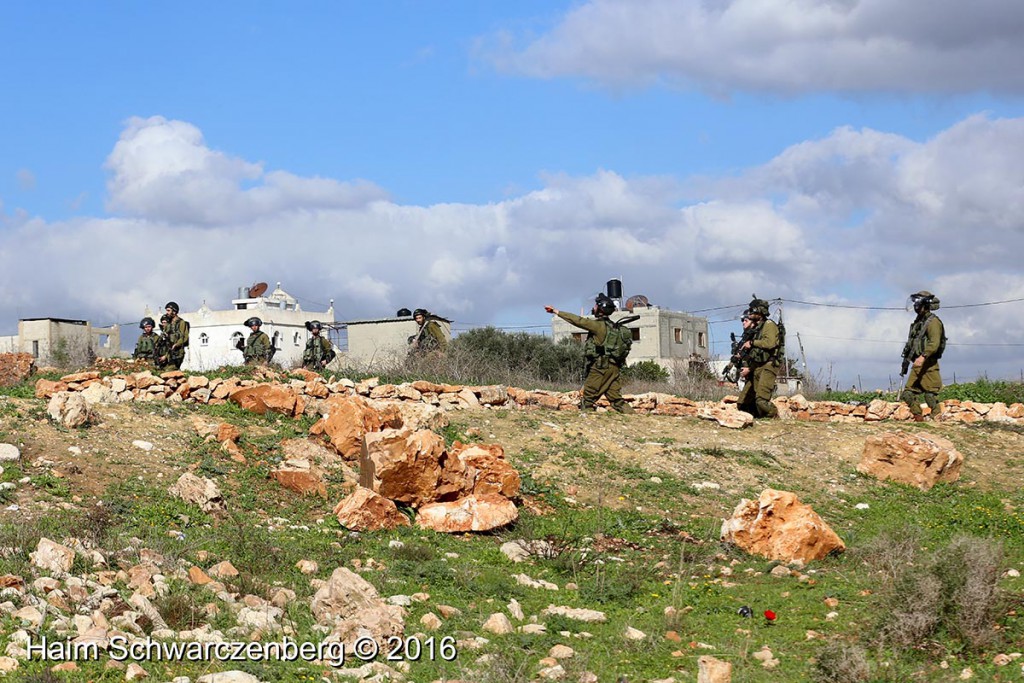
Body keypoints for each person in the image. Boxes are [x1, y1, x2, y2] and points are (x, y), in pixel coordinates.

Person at [545, 294, 633, 413]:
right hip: (614, 368)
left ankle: (587, 425)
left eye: (596, 305)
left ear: (601, 308)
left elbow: (578, 321)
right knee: (616, 400)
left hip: (600, 368)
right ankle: (638, 421)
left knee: (588, 400)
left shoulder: (598, 326)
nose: (594, 307)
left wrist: (556, 311)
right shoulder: (614, 327)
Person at [901, 290, 946, 421]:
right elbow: (912, 343)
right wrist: (906, 361)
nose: (915, 307)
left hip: (928, 363)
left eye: (918, 304)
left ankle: (936, 417)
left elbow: (934, 343)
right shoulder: (918, 322)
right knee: (908, 394)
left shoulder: (933, 322)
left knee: (930, 395)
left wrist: (923, 356)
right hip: (917, 363)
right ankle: (918, 418)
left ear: (925, 305)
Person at [736, 296, 780, 419]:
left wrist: (752, 343)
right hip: (757, 365)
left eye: (753, 311)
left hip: (769, 364)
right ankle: (758, 418)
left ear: (760, 312)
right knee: (745, 402)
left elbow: (770, 343)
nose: (750, 313)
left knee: (761, 400)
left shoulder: (769, 325)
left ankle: (774, 416)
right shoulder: (757, 328)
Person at [161, 301, 190, 370]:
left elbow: (184, 337)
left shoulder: (181, 323)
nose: (167, 312)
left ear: (174, 311)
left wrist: (177, 344)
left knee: (171, 370)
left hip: (177, 352)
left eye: (168, 310)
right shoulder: (168, 323)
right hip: (168, 351)